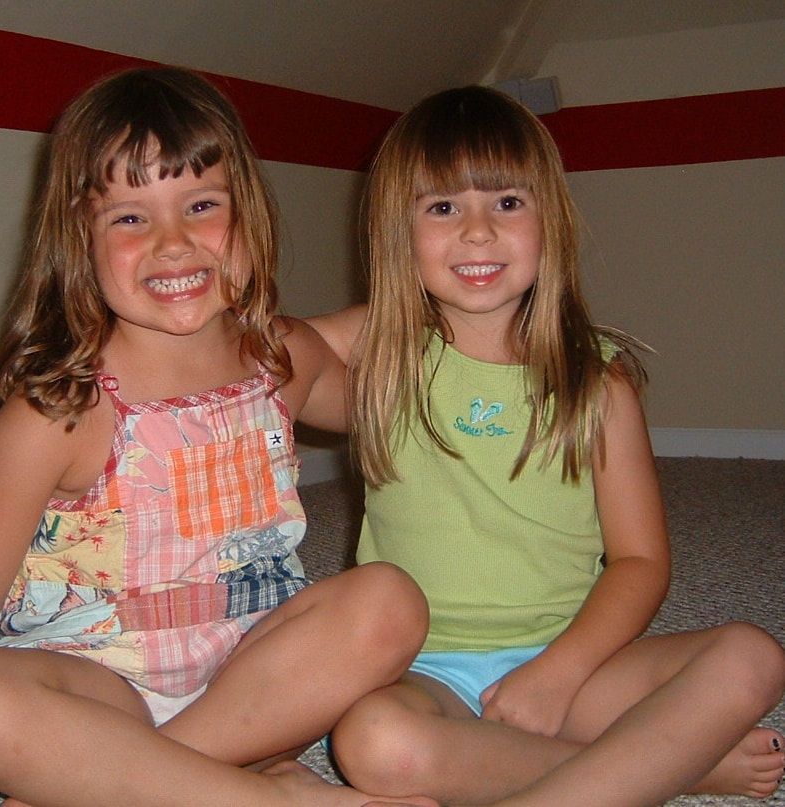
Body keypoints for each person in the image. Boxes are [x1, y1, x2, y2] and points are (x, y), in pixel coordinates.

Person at [0, 67, 436, 807]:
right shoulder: (56, 410)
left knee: (390, 601)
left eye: (202, 206)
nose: (173, 243)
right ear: (77, 240)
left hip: (250, 685)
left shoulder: (282, 359)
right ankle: (261, 794)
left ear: (248, 214)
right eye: (129, 217)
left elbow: (391, 407)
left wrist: (457, 308)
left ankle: (144, 782)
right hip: (96, 687)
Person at [310, 86, 785, 806]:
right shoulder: (378, 344)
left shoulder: (599, 382)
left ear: (549, 221)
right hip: (423, 672)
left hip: (575, 663)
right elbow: (270, 356)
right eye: (442, 207)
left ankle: (596, 766)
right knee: (372, 740)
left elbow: (641, 561)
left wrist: (558, 673)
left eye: (506, 202)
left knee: (752, 656)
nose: (477, 232)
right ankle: (665, 768)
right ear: (396, 232)